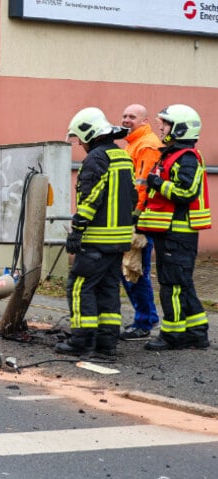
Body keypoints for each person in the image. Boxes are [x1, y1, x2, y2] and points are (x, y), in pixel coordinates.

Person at [56, 107, 136, 357]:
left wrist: (77, 230)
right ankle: (107, 343)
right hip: (119, 238)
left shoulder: (96, 159)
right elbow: (132, 197)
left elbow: (91, 198)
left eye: (80, 138)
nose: (79, 143)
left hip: (98, 238)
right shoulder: (121, 155)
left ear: (90, 133)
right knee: (108, 288)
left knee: (80, 286)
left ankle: (81, 341)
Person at [137, 104, 212, 351]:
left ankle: (173, 335)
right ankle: (197, 332)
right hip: (170, 232)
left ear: (180, 128)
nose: (161, 127)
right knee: (181, 282)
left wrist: (157, 183)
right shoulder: (171, 154)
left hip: (178, 233)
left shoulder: (186, 157)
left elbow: (187, 192)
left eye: (166, 124)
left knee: (172, 286)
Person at [119, 104, 162, 340]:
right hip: (134, 217)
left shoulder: (146, 145)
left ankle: (145, 321)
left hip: (140, 220)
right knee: (129, 270)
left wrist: (135, 218)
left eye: (132, 117)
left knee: (134, 270)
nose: (126, 120)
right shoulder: (135, 143)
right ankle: (144, 318)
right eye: (124, 116)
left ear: (144, 121)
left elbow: (142, 185)